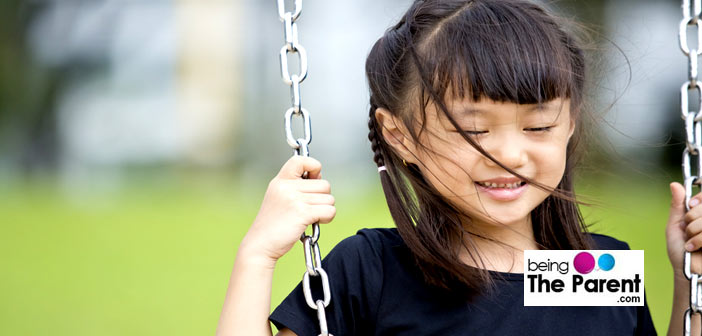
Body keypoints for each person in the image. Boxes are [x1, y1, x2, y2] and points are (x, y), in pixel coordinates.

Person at [216, 0, 702, 335]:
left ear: (570, 123)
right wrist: (257, 255)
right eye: (474, 130)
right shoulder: (375, 271)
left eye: (538, 128)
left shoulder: (595, 271)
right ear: (399, 135)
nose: (510, 155)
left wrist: (689, 280)